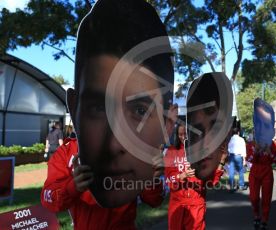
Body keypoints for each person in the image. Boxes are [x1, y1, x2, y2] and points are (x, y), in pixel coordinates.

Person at [41, 0, 177, 228]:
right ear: (74, 109)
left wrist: (152, 179)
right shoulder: (65, 157)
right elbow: (48, 200)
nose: (114, 144)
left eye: (139, 111)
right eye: (99, 108)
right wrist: (72, 187)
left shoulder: (147, 155)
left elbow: (154, 200)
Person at [164, 124, 226, 230]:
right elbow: (168, 179)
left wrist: (221, 162)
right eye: (180, 134)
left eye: (186, 134)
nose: (183, 137)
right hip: (177, 204)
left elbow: (211, 182)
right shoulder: (171, 151)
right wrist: (182, 176)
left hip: (197, 204)